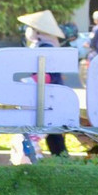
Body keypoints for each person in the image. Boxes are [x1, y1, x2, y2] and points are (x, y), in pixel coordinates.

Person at [18, 10, 68, 158]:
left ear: (38, 32)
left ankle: (60, 161)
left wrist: (27, 82)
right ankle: (62, 162)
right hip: (50, 96)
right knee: (53, 135)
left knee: (51, 133)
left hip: (48, 97)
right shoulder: (46, 45)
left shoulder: (44, 48)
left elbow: (48, 76)